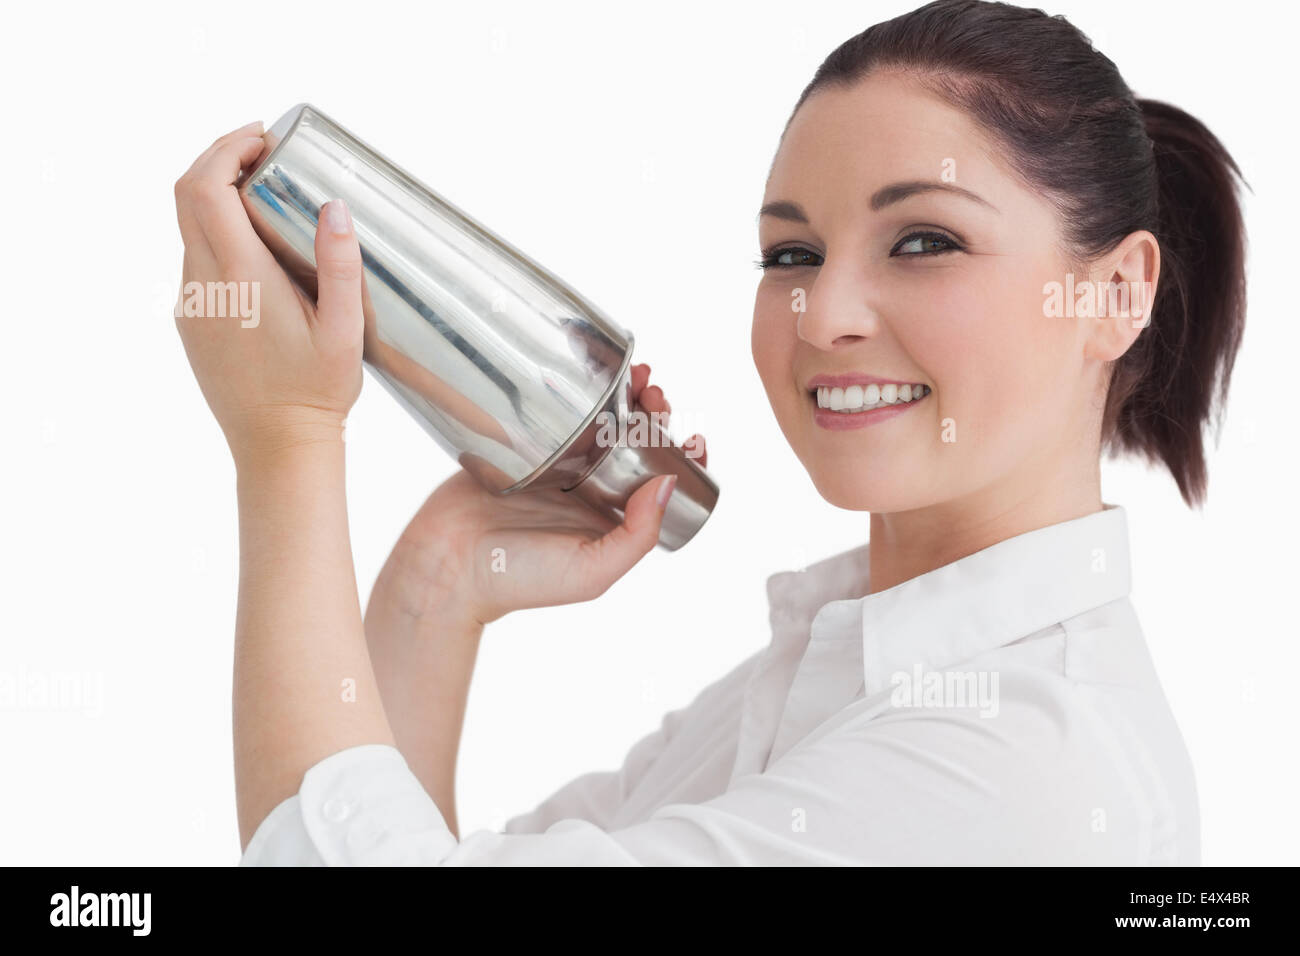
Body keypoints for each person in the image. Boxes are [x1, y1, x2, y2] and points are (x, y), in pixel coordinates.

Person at [173, 0, 1246, 865]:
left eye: (923, 240)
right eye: (791, 256)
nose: (823, 314)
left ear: (1116, 291)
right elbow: (406, 845)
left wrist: (288, 441)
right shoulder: (824, 682)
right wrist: (441, 580)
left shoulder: (1017, 763)